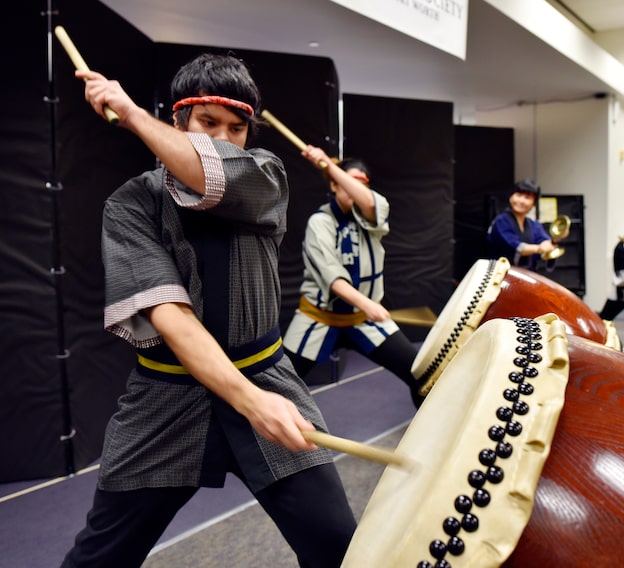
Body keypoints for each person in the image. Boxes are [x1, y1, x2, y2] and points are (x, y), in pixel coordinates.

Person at [62, 54, 356, 568]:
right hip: (166, 398)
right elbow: (171, 317)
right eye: (208, 122)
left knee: (340, 547)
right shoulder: (131, 205)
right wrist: (248, 401)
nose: (223, 137)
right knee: (100, 558)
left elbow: (209, 171)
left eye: (236, 128)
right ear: (177, 119)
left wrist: (130, 113)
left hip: (268, 380)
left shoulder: (265, 177)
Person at [283, 150, 424, 406]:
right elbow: (332, 277)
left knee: (422, 376)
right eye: (347, 182)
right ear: (333, 184)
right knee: (279, 388)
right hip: (319, 318)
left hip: (362, 321)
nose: (354, 189)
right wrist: (368, 304)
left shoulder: (372, 218)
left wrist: (330, 166)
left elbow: (370, 203)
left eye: (361, 184)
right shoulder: (320, 222)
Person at [486, 178, 564, 269]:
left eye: (527, 198)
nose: (521, 201)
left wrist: (555, 240)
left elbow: (545, 243)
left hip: (527, 276)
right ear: (511, 197)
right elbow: (515, 246)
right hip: (501, 276)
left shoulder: (534, 225)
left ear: (533, 203)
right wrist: (539, 248)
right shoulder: (501, 221)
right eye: (518, 195)